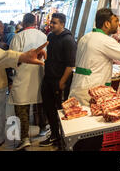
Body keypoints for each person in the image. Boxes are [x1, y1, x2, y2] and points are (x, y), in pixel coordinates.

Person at [9, 13, 48, 150]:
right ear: (35, 22)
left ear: (24, 23)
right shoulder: (43, 36)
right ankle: (43, 128)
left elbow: (12, 58)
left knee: (22, 108)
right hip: (40, 74)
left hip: (22, 76)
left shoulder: (18, 37)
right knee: (40, 104)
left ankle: (25, 138)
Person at [40, 13, 76, 147]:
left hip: (59, 81)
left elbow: (70, 64)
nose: (51, 25)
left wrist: (62, 82)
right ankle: (54, 135)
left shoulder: (68, 40)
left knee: (61, 110)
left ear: (62, 24)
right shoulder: (50, 36)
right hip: (48, 79)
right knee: (48, 108)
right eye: (51, 23)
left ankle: (64, 139)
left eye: (54, 23)